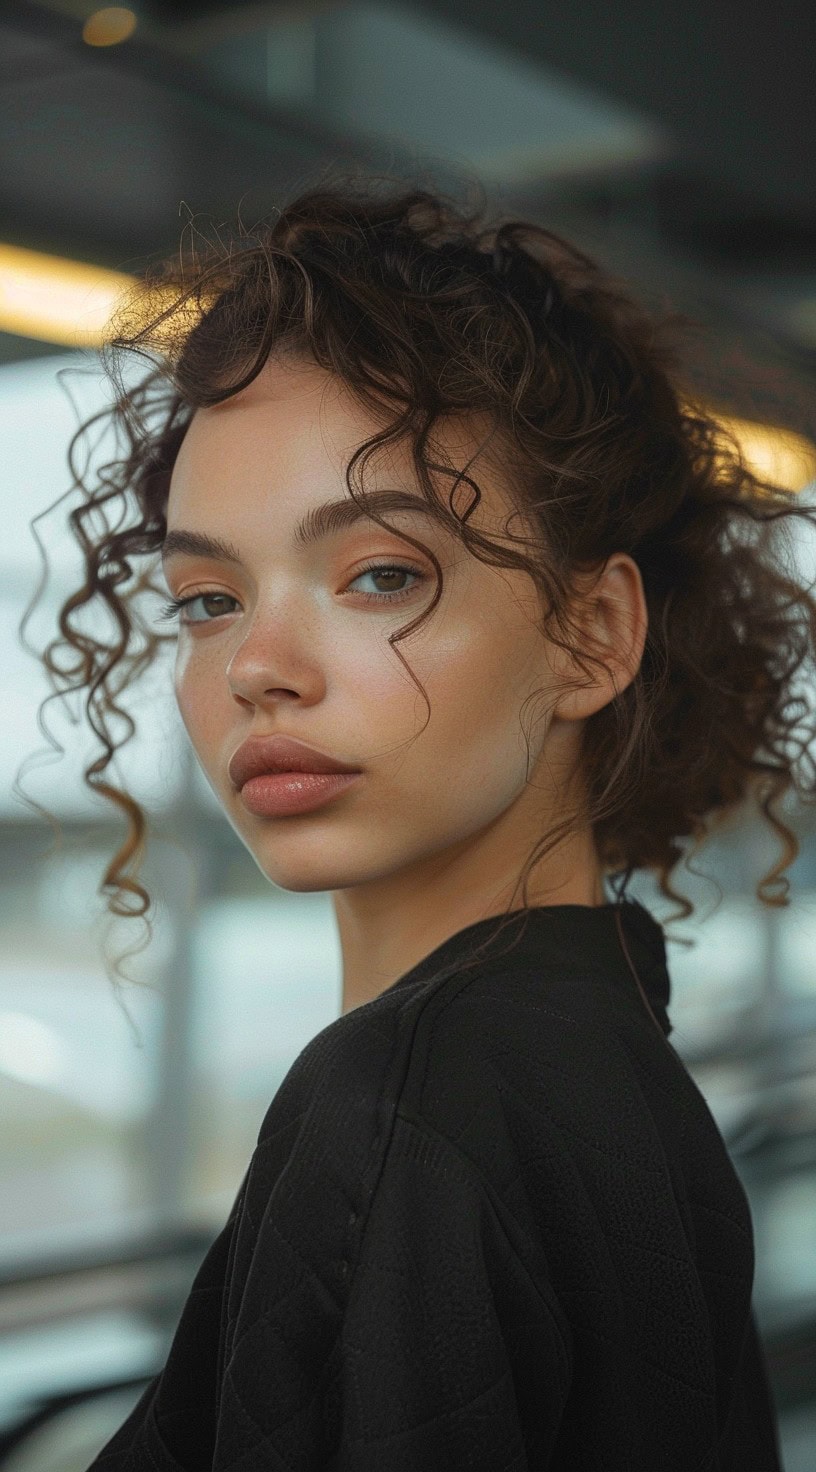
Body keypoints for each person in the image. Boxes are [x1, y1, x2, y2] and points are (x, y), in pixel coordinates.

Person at [24, 173, 808, 1468]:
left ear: (592, 634)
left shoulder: (406, 1103)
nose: (258, 666)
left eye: (380, 574)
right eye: (209, 598)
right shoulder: (610, 1056)